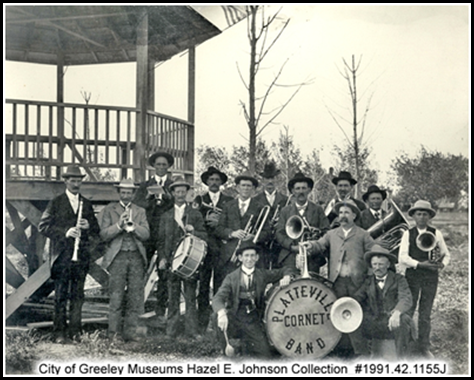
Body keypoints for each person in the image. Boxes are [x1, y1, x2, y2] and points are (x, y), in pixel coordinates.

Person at [303, 199, 375, 357]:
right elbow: (320, 244)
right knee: (337, 313)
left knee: (357, 315)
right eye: (341, 213)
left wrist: (370, 274)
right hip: (337, 282)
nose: (342, 216)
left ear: (354, 215)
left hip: (357, 282)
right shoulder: (332, 234)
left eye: (347, 213)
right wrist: (311, 245)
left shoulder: (363, 234)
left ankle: (360, 352)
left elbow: (374, 254)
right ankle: (341, 349)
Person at [38, 165, 100, 343]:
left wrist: (88, 226)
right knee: (60, 296)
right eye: (72, 181)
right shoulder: (56, 202)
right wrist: (66, 231)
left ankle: (75, 331)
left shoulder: (86, 203)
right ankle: (59, 333)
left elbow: (96, 229)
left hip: (80, 257)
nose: (76, 184)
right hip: (62, 257)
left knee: (78, 296)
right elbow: (43, 226)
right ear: (65, 181)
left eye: (79, 180)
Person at [212, 244, 292, 358]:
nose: (249, 259)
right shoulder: (231, 277)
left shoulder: (262, 274)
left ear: (257, 258)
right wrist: (221, 313)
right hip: (236, 317)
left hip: (253, 320)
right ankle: (226, 351)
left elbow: (285, 269)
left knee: (266, 356)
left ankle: (245, 345)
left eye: (252, 256)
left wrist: (287, 276)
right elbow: (217, 298)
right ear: (240, 258)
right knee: (216, 317)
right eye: (246, 256)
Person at [99, 178, 150, 342]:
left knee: (135, 296)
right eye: (124, 192)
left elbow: (146, 234)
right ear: (119, 193)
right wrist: (119, 226)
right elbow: (104, 235)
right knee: (116, 296)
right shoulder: (109, 210)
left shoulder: (140, 211)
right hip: (118, 256)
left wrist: (134, 226)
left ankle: (131, 332)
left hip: (136, 256)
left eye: (129, 193)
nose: (126, 195)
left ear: (134, 194)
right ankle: (114, 334)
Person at [398, 200, 450, 358]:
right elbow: (402, 257)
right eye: (418, 214)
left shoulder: (436, 233)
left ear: (429, 217)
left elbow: (446, 254)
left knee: (425, 313)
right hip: (413, 275)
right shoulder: (408, 233)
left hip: (430, 277)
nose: (421, 217)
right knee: (409, 310)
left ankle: (424, 345)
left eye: (425, 214)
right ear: (413, 216)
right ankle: (406, 344)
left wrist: (442, 265)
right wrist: (420, 264)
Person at [157, 178, 207, 339]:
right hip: (171, 261)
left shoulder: (195, 214)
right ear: (172, 194)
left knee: (191, 297)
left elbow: (204, 236)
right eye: (177, 192)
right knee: (172, 297)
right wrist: (162, 258)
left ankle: (192, 331)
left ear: (187, 193)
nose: (180, 195)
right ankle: (171, 331)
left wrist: (194, 232)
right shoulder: (165, 215)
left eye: (183, 192)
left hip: (189, 261)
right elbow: (161, 240)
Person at [352, 245, 414, 359]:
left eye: (380, 264)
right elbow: (357, 298)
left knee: (404, 320)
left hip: (393, 322)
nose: (377, 268)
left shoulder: (399, 279)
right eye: (374, 264)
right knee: (354, 320)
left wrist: (397, 313)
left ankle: (402, 358)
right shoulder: (368, 282)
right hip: (375, 322)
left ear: (388, 265)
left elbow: (406, 298)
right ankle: (363, 356)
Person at [134, 151, 175, 320]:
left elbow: (177, 205)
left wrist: (167, 197)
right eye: (158, 164)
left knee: (164, 271)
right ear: (153, 166)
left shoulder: (172, 185)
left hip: (165, 234)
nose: (161, 168)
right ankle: (136, 308)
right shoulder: (145, 185)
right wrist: (148, 197)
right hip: (148, 233)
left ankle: (160, 309)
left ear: (168, 167)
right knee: (141, 268)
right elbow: (137, 205)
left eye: (164, 165)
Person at [215, 173, 270, 293]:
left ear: (254, 189)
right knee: (228, 289)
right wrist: (232, 233)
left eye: (249, 186)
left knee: (249, 290)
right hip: (230, 255)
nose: (245, 188)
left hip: (251, 255)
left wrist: (255, 236)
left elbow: (267, 232)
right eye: (243, 185)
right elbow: (219, 229)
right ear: (237, 188)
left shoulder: (260, 207)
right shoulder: (228, 206)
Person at [195, 166, 233, 333]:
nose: (214, 183)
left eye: (217, 180)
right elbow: (195, 221)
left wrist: (220, 224)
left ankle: (218, 323)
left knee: (220, 286)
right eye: (211, 180)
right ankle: (202, 323)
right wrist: (207, 221)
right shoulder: (199, 199)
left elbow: (231, 223)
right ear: (206, 182)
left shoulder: (229, 201)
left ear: (221, 183)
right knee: (203, 286)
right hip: (205, 248)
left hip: (222, 248)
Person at [275, 172, 329, 274]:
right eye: (298, 188)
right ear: (293, 191)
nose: (301, 191)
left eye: (304, 188)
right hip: (290, 254)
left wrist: (314, 245)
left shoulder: (318, 210)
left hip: (312, 256)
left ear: (309, 190)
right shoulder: (285, 211)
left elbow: (326, 231)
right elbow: (279, 233)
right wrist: (292, 247)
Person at [253, 161, 289, 269]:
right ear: (262, 181)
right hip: (261, 244)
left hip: (279, 243)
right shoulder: (255, 200)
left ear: (277, 180)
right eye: (267, 179)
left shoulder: (285, 200)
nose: (270, 181)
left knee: (278, 273)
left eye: (272, 178)